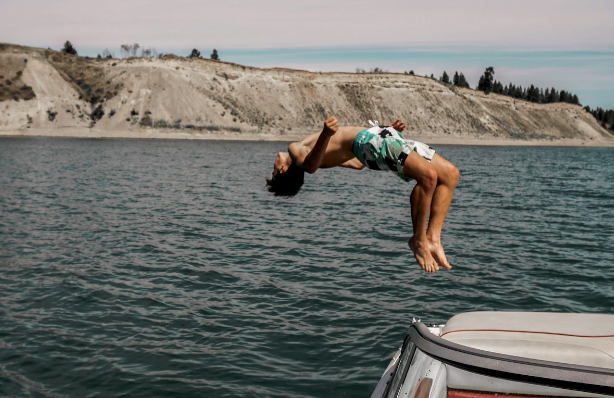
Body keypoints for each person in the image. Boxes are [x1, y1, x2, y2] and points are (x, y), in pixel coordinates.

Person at [267, 117, 459, 273]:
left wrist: (384, 134)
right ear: (283, 169)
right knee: (428, 176)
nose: (273, 169)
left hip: (377, 138)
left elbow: (358, 163)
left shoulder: (317, 155)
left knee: (450, 175)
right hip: (370, 141)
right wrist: (326, 134)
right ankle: (418, 239)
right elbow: (309, 166)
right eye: (274, 173)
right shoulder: (295, 151)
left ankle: (433, 238)